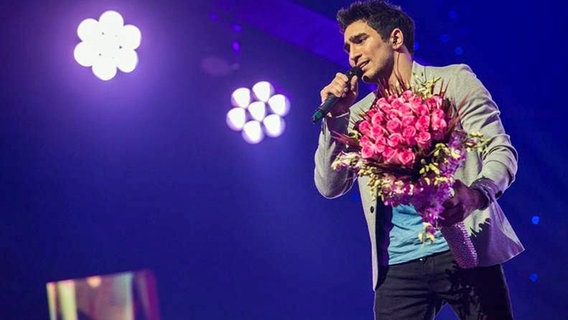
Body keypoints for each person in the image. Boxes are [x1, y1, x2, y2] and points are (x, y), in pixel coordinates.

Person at [313, 1, 524, 319]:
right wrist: (338, 118)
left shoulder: (453, 82)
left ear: (395, 39)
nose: (352, 55)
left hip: (466, 245)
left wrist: (475, 194)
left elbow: (500, 151)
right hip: (398, 264)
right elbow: (329, 186)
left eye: (360, 40)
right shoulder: (358, 114)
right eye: (347, 47)